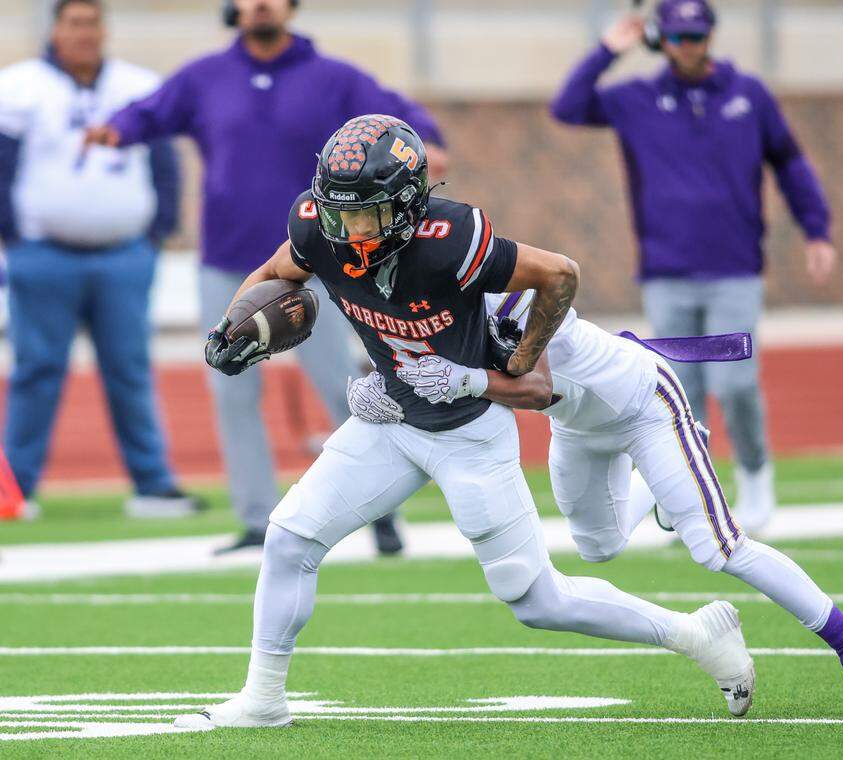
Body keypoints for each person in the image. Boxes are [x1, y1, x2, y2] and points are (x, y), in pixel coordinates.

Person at [173, 116, 756, 729]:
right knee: (290, 538)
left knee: (536, 600)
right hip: (391, 421)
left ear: (407, 204)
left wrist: (521, 358)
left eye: (367, 214)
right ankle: (263, 699)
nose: (351, 231)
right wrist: (233, 327)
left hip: (470, 433)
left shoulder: (450, 239)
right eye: (340, 214)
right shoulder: (318, 226)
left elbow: (559, 275)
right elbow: (273, 276)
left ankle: (694, 634)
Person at [361, 289, 843, 715]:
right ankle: (665, 489)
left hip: (645, 405)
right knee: (599, 547)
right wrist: (386, 390)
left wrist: (460, 379)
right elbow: (421, 368)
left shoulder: (505, 295)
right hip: (577, 429)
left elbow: (534, 386)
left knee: (719, 548)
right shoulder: (428, 309)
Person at [84, 0, 447, 554]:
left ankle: (381, 512)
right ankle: (256, 519)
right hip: (228, 260)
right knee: (230, 386)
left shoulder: (333, 79)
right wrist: (116, 130)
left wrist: (429, 140)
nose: (259, 5)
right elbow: (151, 112)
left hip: (319, 261)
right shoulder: (205, 77)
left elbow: (396, 117)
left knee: (347, 389)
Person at [550, 0, 837, 534]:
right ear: (661, 40)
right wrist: (608, 50)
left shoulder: (748, 95)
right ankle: (688, 498)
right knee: (680, 394)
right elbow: (567, 107)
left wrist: (816, 229)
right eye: (679, 37)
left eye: (697, 36)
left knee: (735, 384)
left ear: (710, 36)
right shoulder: (637, 98)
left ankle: (755, 477)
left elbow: (790, 163)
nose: (689, 46)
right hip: (667, 271)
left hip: (734, 268)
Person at [0, 0, 195, 518]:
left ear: (104, 30)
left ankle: (153, 484)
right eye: (74, 24)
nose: (84, 33)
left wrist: (156, 233)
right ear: (55, 30)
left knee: (129, 368)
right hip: (43, 252)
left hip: (124, 253)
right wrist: (13, 238)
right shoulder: (18, 87)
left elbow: (164, 164)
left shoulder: (136, 85)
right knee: (36, 371)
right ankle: (15, 489)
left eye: (92, 23)